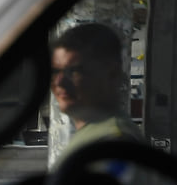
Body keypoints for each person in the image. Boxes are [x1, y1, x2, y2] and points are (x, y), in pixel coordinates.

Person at [50, 22, 144, 160]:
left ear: (111, 73)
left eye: (74, 71)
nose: (59, 82)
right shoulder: (96, 136)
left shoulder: (111, 144)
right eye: (55, 71)